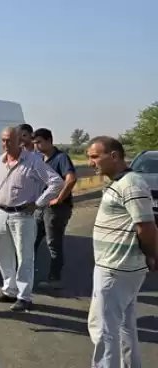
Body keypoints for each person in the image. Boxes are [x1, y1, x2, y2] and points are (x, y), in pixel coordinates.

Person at [86, 136, 158, 368]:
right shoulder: (119, 182)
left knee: (104, 330)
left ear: (114, 156)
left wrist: (151, 254)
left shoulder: (131, 184)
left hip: (116, 268)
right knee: (124, 326)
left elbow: (146, 226)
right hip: (118, 267)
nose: (91, 163)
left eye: (95, 156)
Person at [0, 126, 63, 312]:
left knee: (24, 257)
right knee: (3, 254)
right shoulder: (1, 160)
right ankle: (9, 290)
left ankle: (24, 296)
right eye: (3, 140)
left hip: (23, 215)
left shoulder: (33, 161)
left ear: (19, 141)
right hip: (2, 213)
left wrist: (38, 203)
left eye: (9, 140)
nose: (5, 144)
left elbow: (56, 182)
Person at [32, 128, 77, 290]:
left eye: (39, 142)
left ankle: (54, 278)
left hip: (56, 209)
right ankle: (27, 275)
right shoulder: (40, 159)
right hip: (40, 206)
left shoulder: (60, 158)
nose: (36, 146)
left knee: (53, 243)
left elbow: (71, 179)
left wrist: (59, 199)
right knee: (32, 240)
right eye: (34, 142)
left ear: (49, 141)